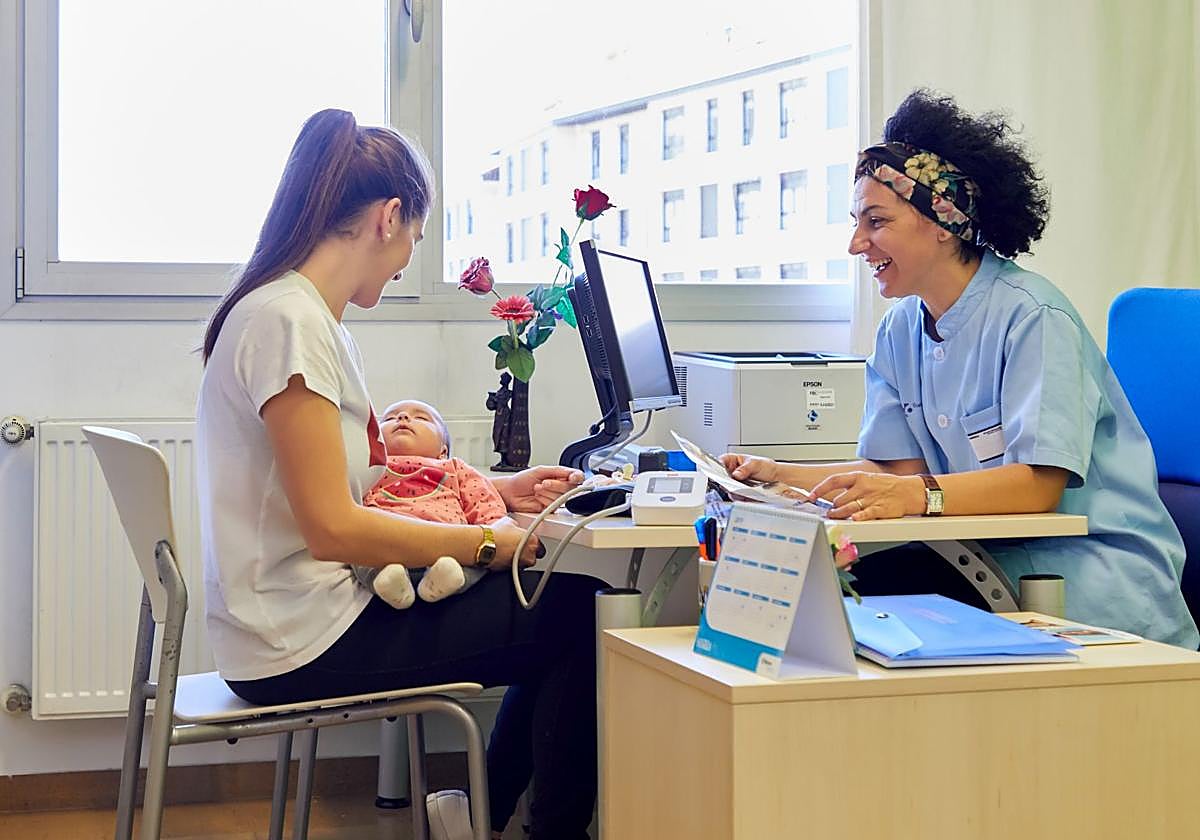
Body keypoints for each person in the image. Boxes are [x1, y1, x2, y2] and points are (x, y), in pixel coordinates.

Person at [195, 108, 602, 840]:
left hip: (286, 623)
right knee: (579, 611)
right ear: (389, 217)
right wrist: (488, 544)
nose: (412, 253)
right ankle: (519, 825)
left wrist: (495, 495)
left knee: (565, 606)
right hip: (298, 639)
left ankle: (481, 817)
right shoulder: (290, 322)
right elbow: (332, 528)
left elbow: (358, 492)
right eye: (416, 234)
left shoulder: (302, 316)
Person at [722, 90, 1198, 649]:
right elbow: (895, 472)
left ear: (941, 221)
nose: (856, 244)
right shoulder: (901, 329)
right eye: (856, 222)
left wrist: (919, 495)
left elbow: (1038, 486)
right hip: (984, 558)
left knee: (849, 604)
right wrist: (781, 479)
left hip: (1085, 578)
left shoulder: (1033, 317)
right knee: (822, 597)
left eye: (875, 221)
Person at [354, 398, 510, 608]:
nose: (403, 417)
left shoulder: (454, 467)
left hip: (451, 547)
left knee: (479, 556)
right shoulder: (367, 470)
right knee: (355, 548)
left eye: (421, 418)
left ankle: (447, 578)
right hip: (385, 546)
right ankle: (384, 579)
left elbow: (483, 501)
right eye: (389, 418)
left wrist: (497, 528)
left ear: (443, 451)